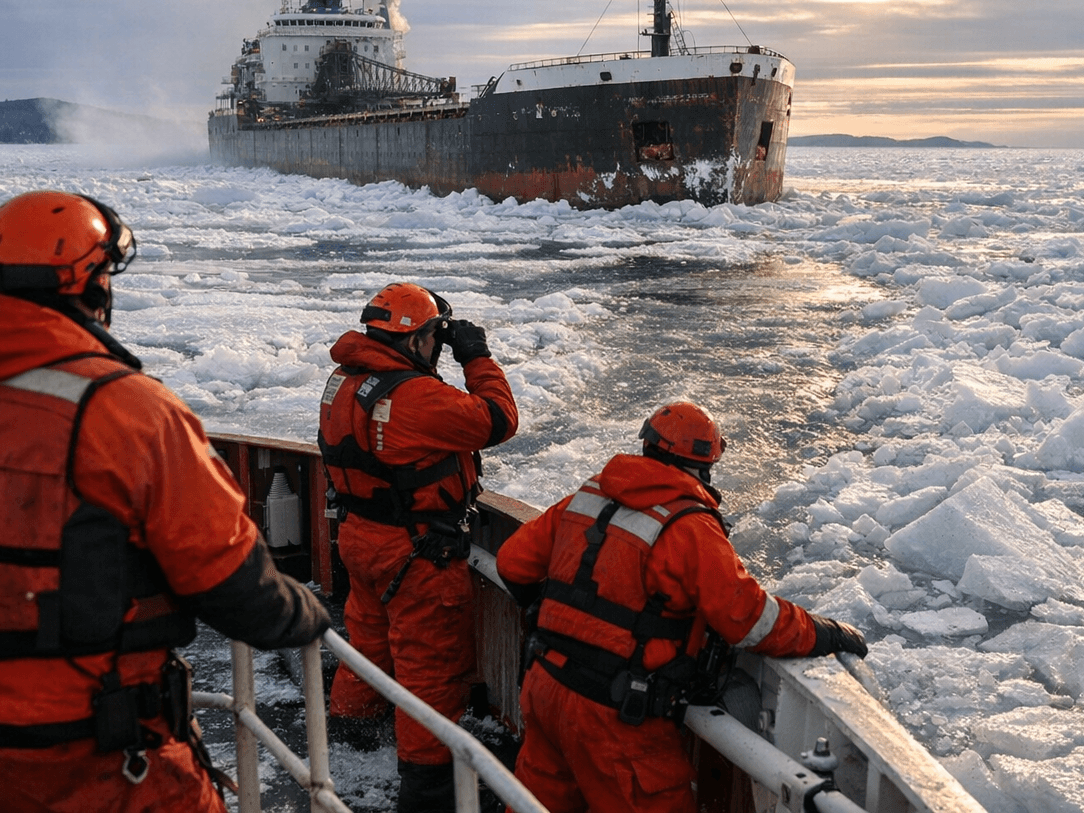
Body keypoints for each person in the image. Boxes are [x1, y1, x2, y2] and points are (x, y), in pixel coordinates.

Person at [0, 191, 330, 813]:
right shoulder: (130, 412)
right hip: (97, 770)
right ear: (92, 285)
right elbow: (238, 592)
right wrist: (309, 616)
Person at [495, 401, 869, 813]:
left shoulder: (586, 499)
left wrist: (558, 619)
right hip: (617, 719)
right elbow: (749, 620)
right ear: (703, 466)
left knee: (536, 804)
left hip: (547, 686)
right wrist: (822, 631)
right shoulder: (689, 525)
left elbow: (512, 564)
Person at [319, 282, 518, 813]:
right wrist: (475, 355)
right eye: (434, 336)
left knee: (368, 639)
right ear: (415, 338)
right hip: (418, 553)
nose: (437, 347)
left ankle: (353, 734)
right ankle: (427, 787)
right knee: (431, 668)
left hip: (362, 537)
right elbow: (498, 419)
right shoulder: (414, 396)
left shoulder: (345, 380)